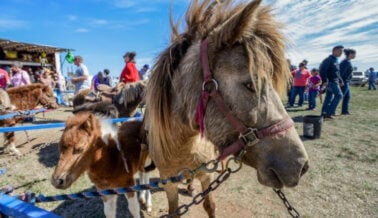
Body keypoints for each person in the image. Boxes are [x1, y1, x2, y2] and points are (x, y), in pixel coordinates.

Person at [320, 45, 344, 119]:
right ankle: (329, 112)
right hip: (331, 82)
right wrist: (325, 80)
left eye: (342, 51)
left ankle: (324, 113)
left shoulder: (336, 60)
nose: (341, 53)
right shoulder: (328, 59)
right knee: (339, 95)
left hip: (335, 81)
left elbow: (337, 72)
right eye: (340, 51)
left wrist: (341, 80)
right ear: (334, 51)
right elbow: (322, 70)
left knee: (328, 97)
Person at [339, 48, 356, 115]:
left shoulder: (347, 61)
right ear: (350, 54)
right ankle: (330, 111)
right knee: (339, 97)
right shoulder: (345, 62)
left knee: (347, 96)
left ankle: (345, 111)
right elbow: (341, 73)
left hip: (347, 82)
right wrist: (340, 82)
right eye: (354, 54)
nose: (355, 56)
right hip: (344, 82)